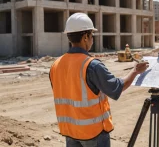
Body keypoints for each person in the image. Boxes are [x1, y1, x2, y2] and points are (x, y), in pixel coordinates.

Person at [49, 12, 149, 147]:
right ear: (85, 37)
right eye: (91, 36)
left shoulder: (55, 65)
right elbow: (116, 88)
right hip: (93, 134)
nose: (92, 39)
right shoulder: (91, 65)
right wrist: (135, 71)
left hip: (70, 132)